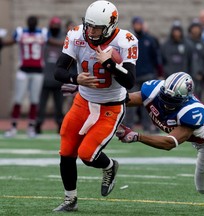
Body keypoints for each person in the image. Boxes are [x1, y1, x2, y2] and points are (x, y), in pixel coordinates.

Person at [52, 1, 138, 212]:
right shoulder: (76, 34)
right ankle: (70, 199)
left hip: (111, 106)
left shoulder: (125, 40)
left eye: (96, 28)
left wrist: (109, 63)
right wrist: (75, 79)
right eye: (88, 25)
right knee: (67, 150)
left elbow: (130, 82)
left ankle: (110, 166)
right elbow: (58, 71)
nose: (90, 31)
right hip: (83, 101)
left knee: (88, 154)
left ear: (109, 25)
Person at [0, 16, 50, 138]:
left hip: (38, 71)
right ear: (27, 23)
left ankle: (31, 128)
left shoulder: (43, 32)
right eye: (30, 21)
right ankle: (13, 127)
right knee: (18, 99)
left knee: (34, 101)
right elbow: (10, 42)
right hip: (23, 71)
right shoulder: (20, 32)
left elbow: (53, 42)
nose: (32, 23)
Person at [123, 16, 162, 132]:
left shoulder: (149, 40)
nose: (139, 26)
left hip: (147, 76)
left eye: (140, 24)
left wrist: (159, 73)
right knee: (130, 102)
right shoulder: (129, 40)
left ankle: (147, 126)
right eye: (137, 24)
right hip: (133, 76)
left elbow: (156, 58)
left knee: (148, 103)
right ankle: (128, 125)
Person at [35, 16, 64, 134]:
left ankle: (60, 125)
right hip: (45, 78)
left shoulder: (64, 41)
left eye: (57, 26)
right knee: (41, 105)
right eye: (53, 26)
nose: (55, 28)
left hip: (58, 79)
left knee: (59, 106)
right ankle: (38, 124)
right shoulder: (44, 40)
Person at [187, 19, 204, 101]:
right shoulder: (186, 43)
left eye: (198, 28)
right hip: (186, 77)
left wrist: (202, 73)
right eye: (194, 27)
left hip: (198, 78)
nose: (196, 30)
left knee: (197, 98)